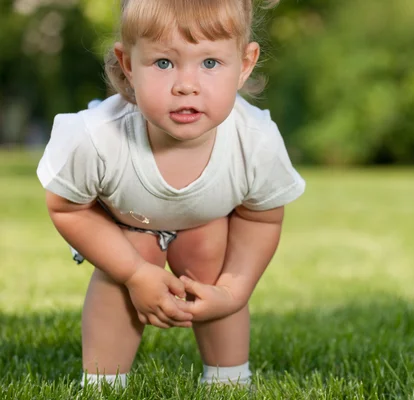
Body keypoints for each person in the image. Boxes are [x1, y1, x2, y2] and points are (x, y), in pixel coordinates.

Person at [36, 0, 304, 389]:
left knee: (212, 260)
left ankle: (229, 380)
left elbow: (261, 217)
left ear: (245, 64)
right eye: (163, 63)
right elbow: (67, 209)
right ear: (128, 64)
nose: (186, 84)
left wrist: (233, 291)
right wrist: (133, 273)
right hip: (127, 223)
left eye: (210, 63)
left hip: (204, 224)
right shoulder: (97, 138)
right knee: (130, 256)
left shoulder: (255, 142)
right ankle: (103, 384)